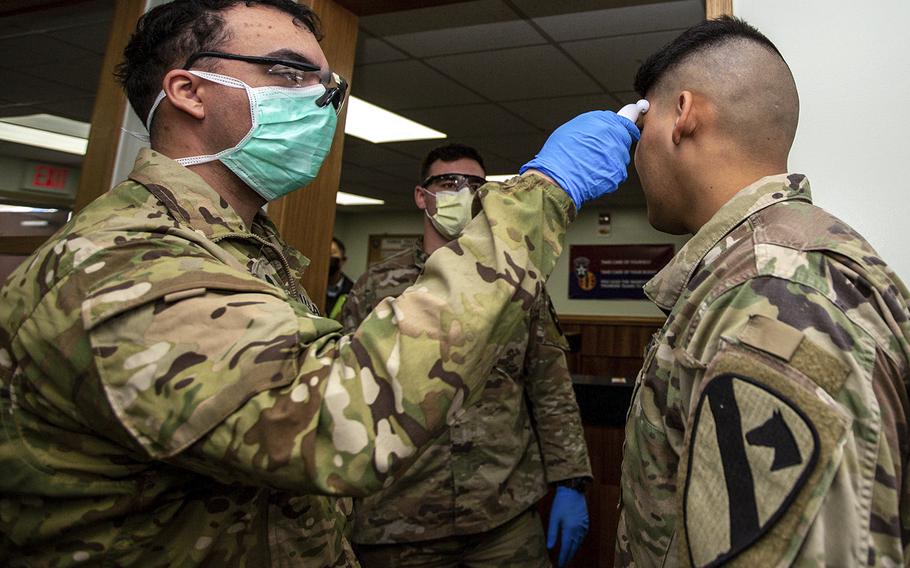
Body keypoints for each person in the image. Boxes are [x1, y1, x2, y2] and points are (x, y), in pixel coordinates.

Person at [0, 0, 644, 565]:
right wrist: (546, 193)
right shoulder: (124, 263)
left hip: (495, 511)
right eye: (288, 72)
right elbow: (338, 422)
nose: (321, 99)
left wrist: (567, 477)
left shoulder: (243, 254)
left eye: (327, 84)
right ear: (189, 91)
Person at [616, 16, 910, 567]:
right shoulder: (765, 268)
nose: (636, 154)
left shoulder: (774, 293)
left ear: (683, 115)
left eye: (639, 126)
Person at [342, 143, 592, 568]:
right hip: (399, 521)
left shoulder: (516, 283)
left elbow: (548, 384)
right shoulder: (376, 286)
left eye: (476, 184)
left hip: (502, 512)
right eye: (448, 182)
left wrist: (571, 479)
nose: (464, 191)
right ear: (422, 196)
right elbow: (347, 390)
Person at [326, 236, 353, 320]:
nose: (328, 258)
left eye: (332, 253)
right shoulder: (309, 288)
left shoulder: (354, 290)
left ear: (343, 260)